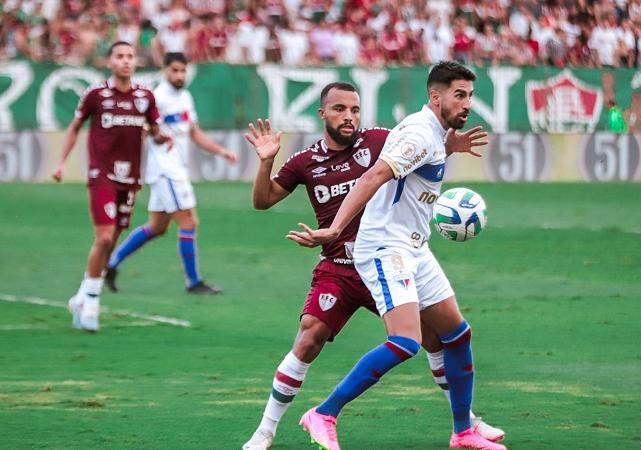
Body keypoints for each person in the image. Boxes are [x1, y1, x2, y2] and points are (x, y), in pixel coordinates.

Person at [241, 82, 504, 450]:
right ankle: (265, 431)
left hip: (388, 258)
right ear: (323, 114)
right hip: (341, 267)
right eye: (339, 110)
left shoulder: (380, 140)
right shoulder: (304, 161)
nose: (349, 117)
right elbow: (262, 200)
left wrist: (447, 147)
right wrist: (267, 160)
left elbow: (416, 156)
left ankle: (466, 423)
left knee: (435, 339)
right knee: (309, 337)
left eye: (354, 109)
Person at [51, 41, 172, 332]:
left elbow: (154, 131)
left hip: (130, 178)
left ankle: (81, 294)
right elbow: (75, 127)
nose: (126, 61)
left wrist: (162, 138)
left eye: (130, 56)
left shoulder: (145, 97)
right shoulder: (96, 95)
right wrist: (61, 162)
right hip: (101, 175)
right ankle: (92, 301)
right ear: (110, 62)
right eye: (120, 56)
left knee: (113, 238)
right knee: (104, 238)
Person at [104, 52, 238, 295]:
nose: (179, 75)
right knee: (189, 221)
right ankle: (193, 282)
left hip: (176, 169)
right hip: (166, 170)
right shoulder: (156, 98)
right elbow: (140, 129)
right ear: (165, 70)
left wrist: (221, 151)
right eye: (174, 70)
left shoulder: (185, 97)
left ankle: (111, 264)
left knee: (157, 226)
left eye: (183, 71)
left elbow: (194, 133)